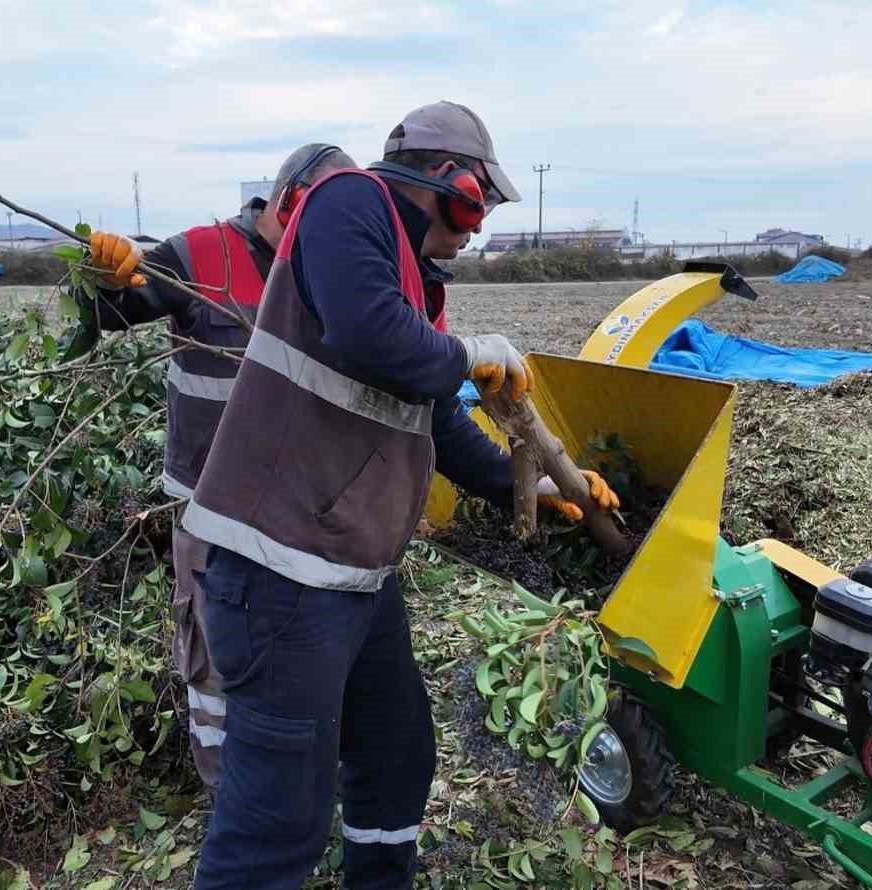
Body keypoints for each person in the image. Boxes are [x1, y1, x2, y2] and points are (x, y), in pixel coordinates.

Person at [180, 102, 620, 889]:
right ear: (447, 182)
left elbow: (433, 423)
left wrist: (547, 486)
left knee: (395, 752)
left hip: (352, 579)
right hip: (278, 576)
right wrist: (469, 352)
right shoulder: (350, 203)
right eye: (478, 203)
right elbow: (371, 335)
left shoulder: (412, 286)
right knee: (279, 819)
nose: (478, 228)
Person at [82, 144, 358, 789]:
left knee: (299, 648)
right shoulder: (200, 254)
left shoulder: (333, 267)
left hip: (302, 506)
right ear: (289, 202)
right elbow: (108, 313)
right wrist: (101, 276)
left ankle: (308, 780)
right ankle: (226, 789)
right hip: (210, 504)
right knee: (214, 654)